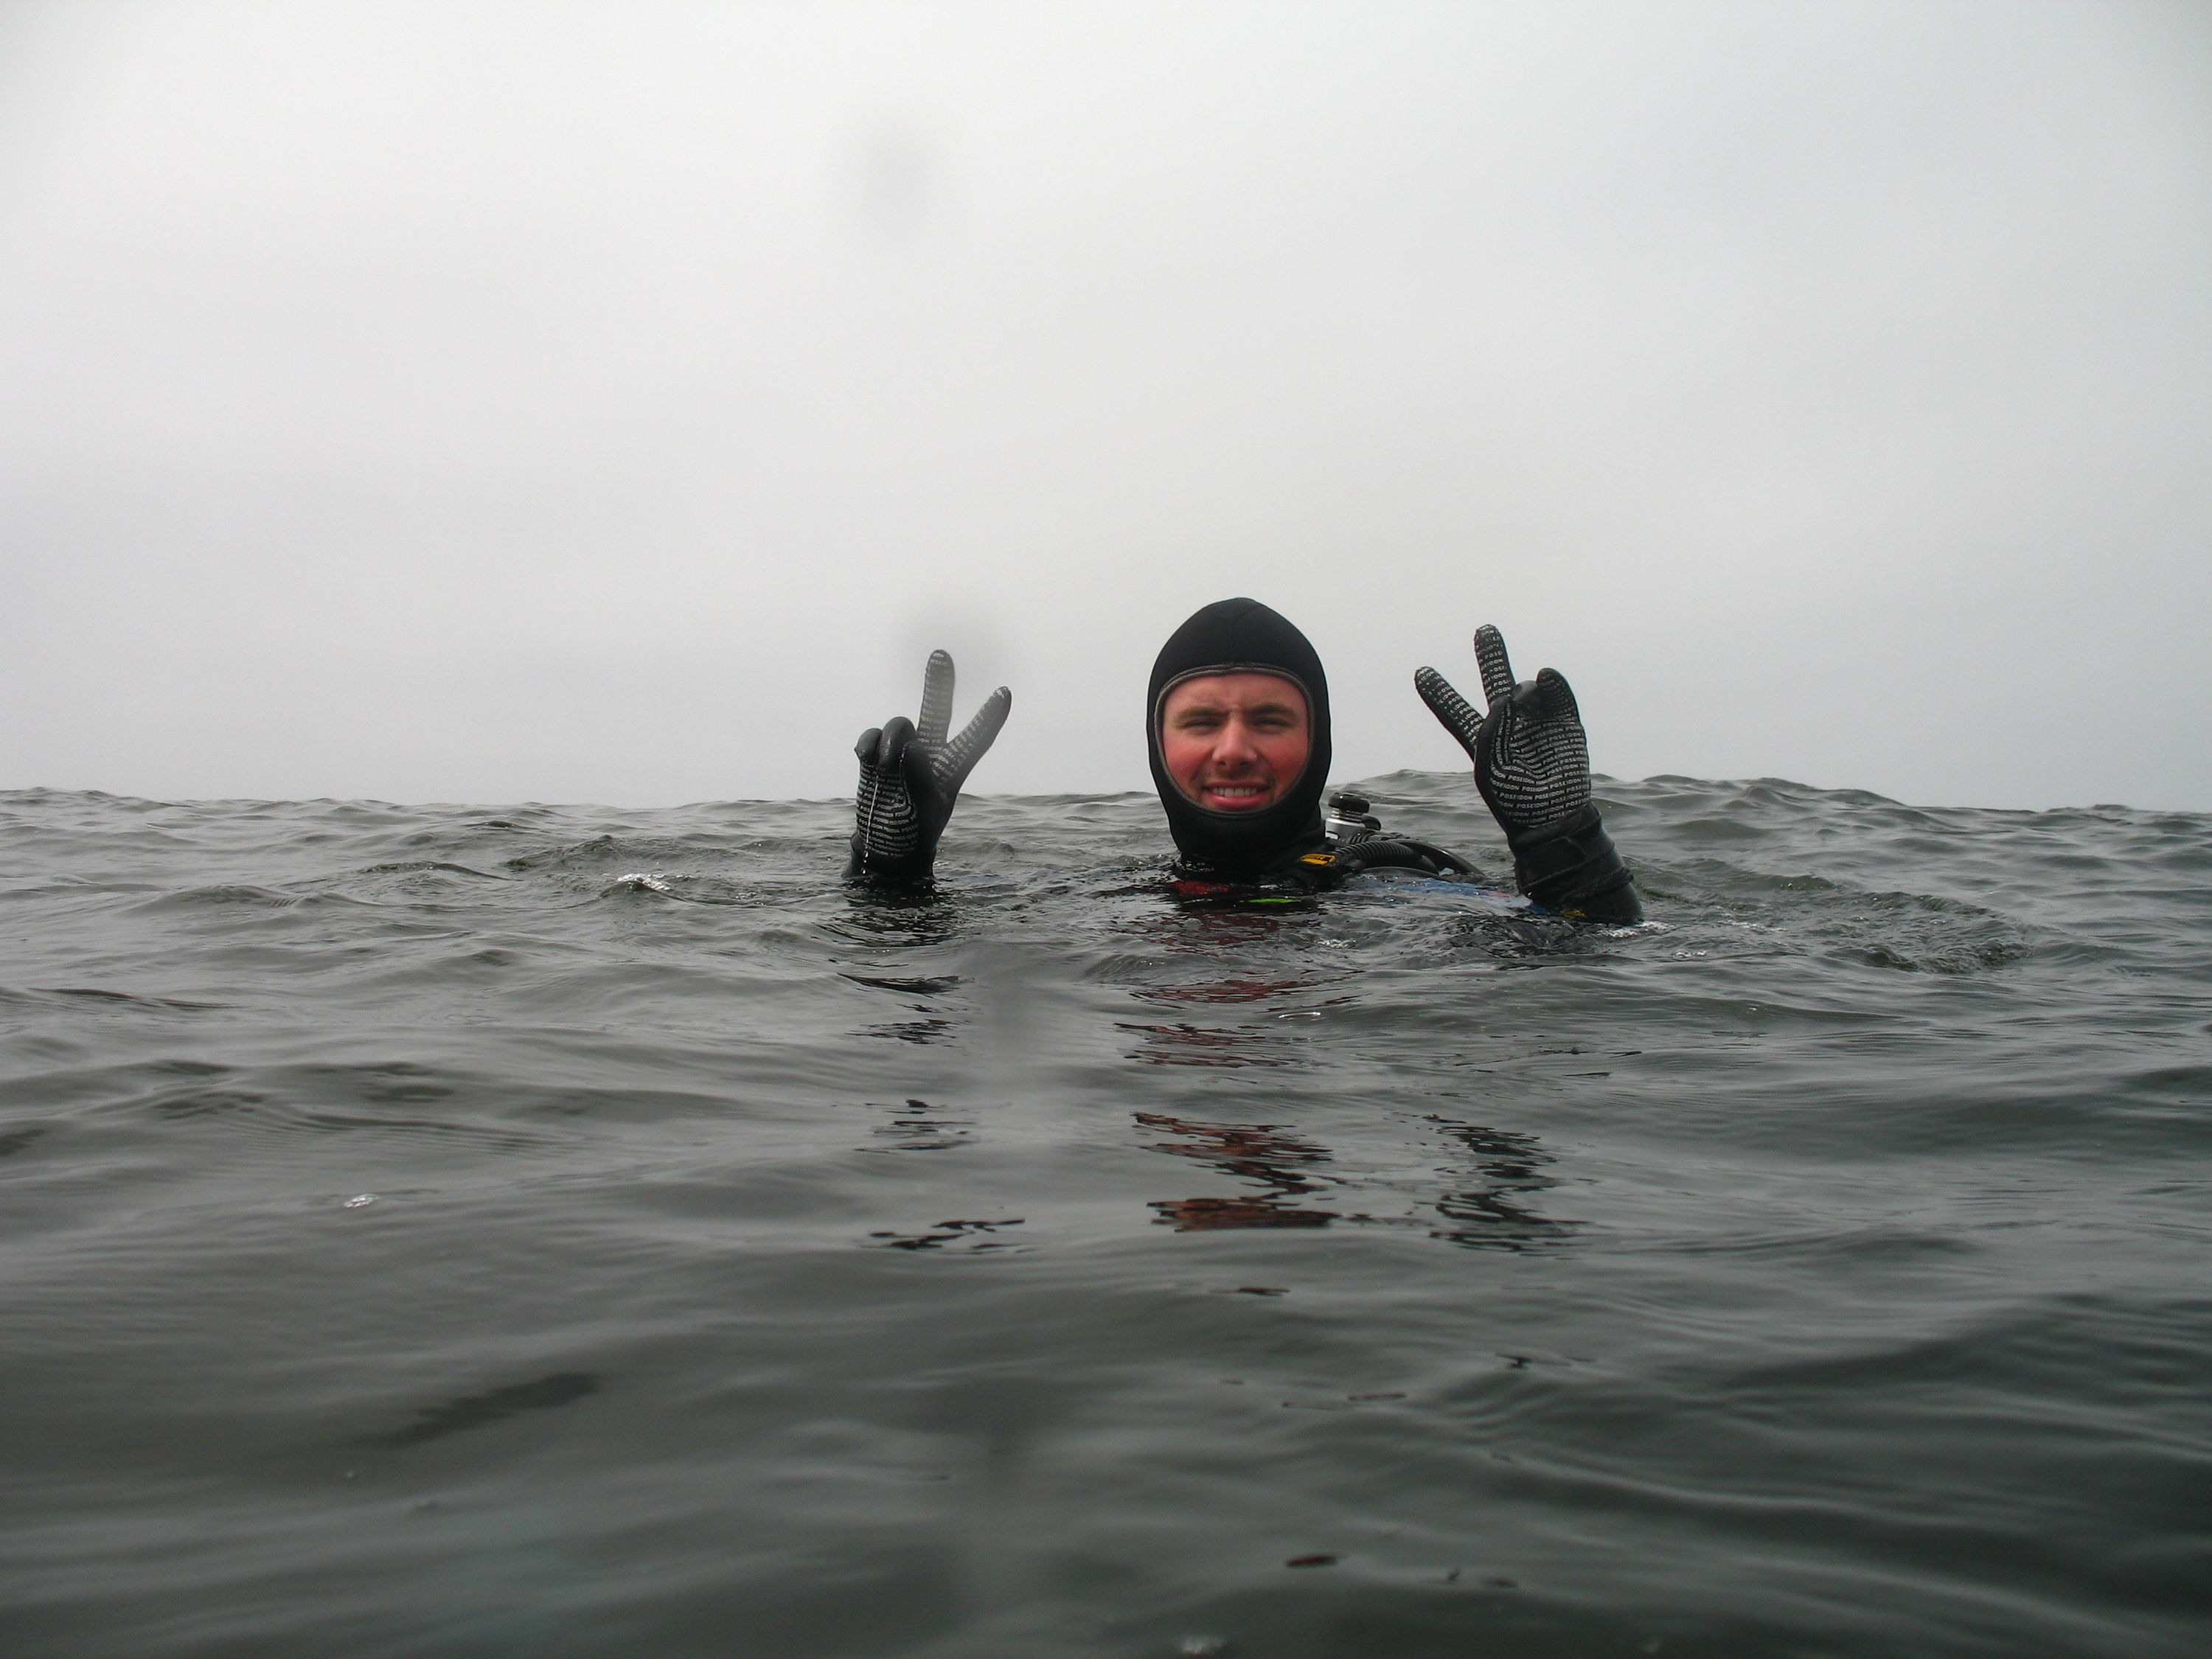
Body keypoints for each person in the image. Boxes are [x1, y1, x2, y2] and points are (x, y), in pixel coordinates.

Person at [846, 598, 1641, 923]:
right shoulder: (1097, 897)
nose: (1234, 748)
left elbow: (1595, 978)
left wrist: (1563, 845)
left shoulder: (1408, 891)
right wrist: (889, 873)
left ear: (1318, 738)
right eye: (1201, 721)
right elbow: (900, 976)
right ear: (1160, 745)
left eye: (1268, 718)